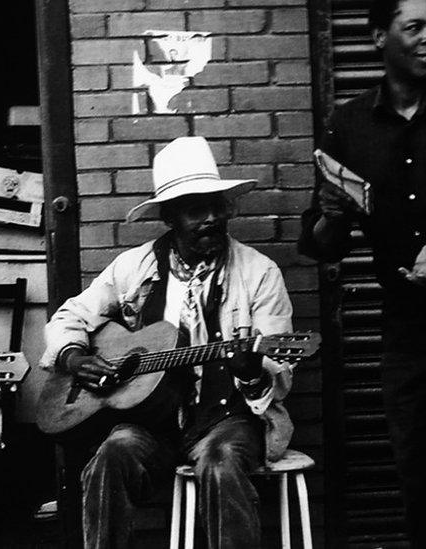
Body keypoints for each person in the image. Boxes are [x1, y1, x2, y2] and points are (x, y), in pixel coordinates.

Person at [298, 0, 426, 545]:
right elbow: (325, 244)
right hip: (411, 327)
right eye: (413, 27)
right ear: (376, 37)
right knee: (424, 477)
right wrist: (329, 213)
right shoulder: (348, 124)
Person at [41, 136, 295, 549]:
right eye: (197, 209)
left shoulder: (259, 273)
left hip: (226, 420)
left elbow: (279, 371)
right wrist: (73, 358)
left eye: (218, 205)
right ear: (170, 217)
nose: (212, 217)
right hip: (153, 427)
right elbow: (69, 316)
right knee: (112, 454)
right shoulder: (135, 266)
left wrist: (252, 373)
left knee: (221, 461)